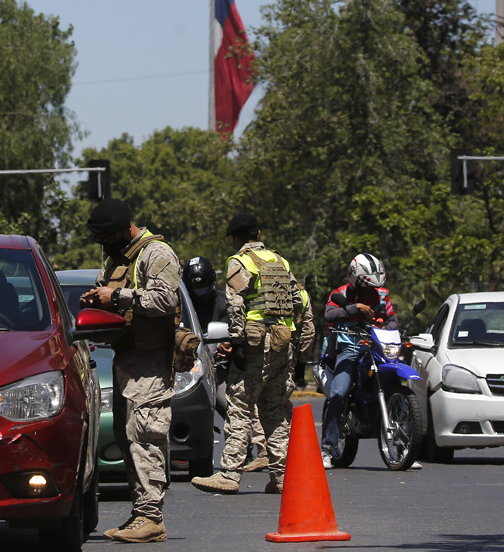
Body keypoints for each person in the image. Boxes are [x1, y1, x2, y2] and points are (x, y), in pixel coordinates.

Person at [81, 198, 181, 544]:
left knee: (146, 435)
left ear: (125, 229)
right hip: (127, 359)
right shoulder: (118, 257)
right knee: (129, 439)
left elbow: (165, 300)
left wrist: (118, 297)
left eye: (108, 236)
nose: (104, 243)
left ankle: (152, 517)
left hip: (150, 364)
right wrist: (97, 300)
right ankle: (142, 513)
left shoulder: (157, 253)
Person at [191, 213, 301, 495]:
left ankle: (229, 474)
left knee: (239, 406)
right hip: (283, 342)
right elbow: (298, 300)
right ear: (259, 232)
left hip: (256, 344)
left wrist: (237, 343)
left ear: (237, 239)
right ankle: (282, 476)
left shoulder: (239, 262)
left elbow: (235, 305)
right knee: (274, 411)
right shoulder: (281, 261)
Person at [319, 253, 420, 469]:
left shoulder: (383, 296)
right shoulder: (340, 293)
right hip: (350, 347)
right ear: (355, 279)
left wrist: (384, 326)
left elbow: (393, 321)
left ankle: (404, 449)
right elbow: (329, 314)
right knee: (338, 392)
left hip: (377, 347)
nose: (370, 292)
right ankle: (327, 448)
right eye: (365, 287)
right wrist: (356, 309)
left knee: (395, 384)